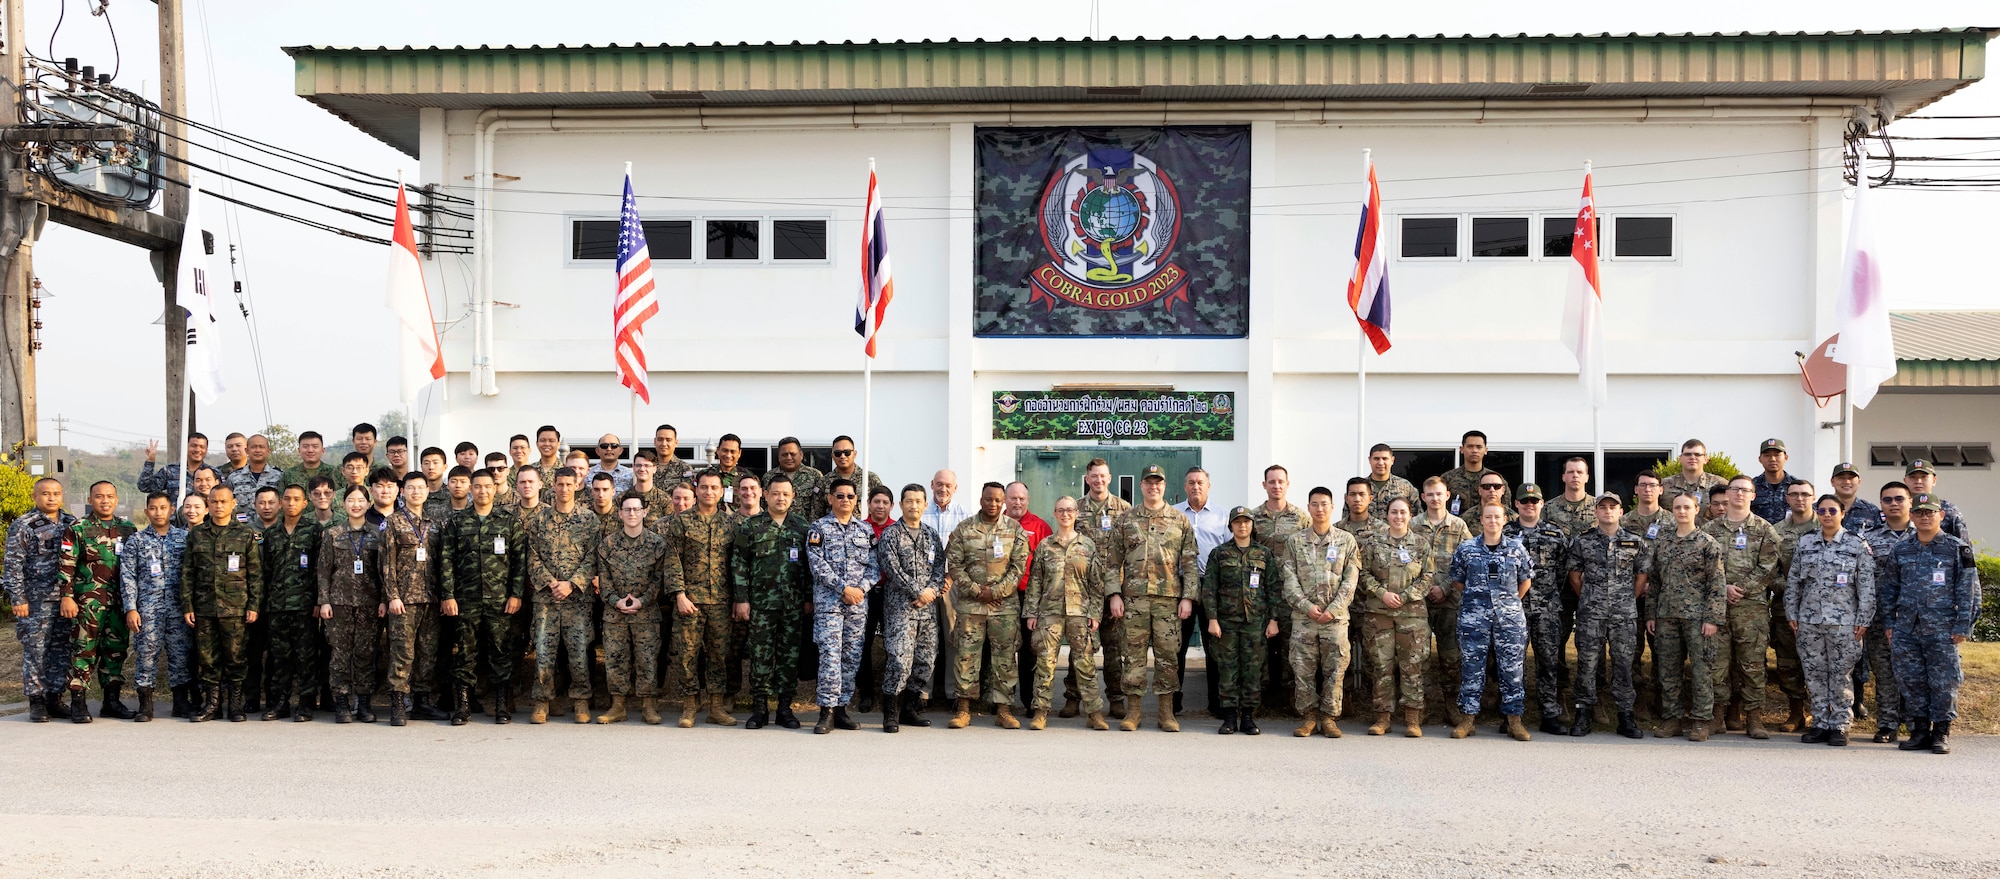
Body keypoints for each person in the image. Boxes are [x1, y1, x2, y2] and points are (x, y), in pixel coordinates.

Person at [1884, 494, 1981, 755]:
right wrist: (1889, 622)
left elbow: (1969, 589)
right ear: (1912, 517)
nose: (1925, 517)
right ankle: (1918, 732)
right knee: (1911, 680)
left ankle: (1941, 732)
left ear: (1941, 515)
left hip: (1943, 628)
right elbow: (1890, 588)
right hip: (1906, 628)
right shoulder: (1901, 549)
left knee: (1943, 681)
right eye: (1920, 513)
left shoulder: (1957, 548)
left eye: (1930, 512)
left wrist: (1964, 625)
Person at [1104, 465, 1198, 733]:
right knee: (1132, 656)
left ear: (1165, 486)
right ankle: (1133, 711)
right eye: (1148, 482)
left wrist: (1188, 597)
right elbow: (1112, 562)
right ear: (1142, 486)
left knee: (1168, 656)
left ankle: (1166, 712)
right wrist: (1114, 594)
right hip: (1133, 600)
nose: (1153, 487)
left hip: (1169, 600)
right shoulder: (1126, 519)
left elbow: (1190, 563)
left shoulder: (1180, 520)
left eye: (1158, 483)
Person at [1786, 494, 1875, 746]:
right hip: (1809, 621)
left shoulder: (1856, 544)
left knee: (1840, 674)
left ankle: (1841, 724)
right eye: (1822, 510)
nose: (1827, 515)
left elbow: (1866, 586)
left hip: (1845, 623)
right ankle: (1821, 723)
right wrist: (1792, 613)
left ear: (1842, 513)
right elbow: (1794, 582)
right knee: (1814, 674)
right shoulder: (1806, 543)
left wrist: (1864, 619)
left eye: (1832, 511)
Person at [440, 469, 525, 725]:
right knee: (466, 653)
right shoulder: (456, 522)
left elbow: (519, 562)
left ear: (495, 487)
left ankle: (501, 705)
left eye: (487, 486)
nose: (482, 491)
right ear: (470, 489)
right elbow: (446, 561)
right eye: (477, 486)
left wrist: (516, 594)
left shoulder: (508, 521)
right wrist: (448, 595)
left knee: (500, 652)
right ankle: (463, 706)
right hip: (466, 600)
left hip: (500, 600)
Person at [943, 482, 1030, 729]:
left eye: (997, 500)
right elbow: (955, 565)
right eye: (988, 499)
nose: (992, 504)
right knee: (966, 656)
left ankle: (1003, 710)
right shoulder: (964, 529)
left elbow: (1019, 567)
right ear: (981, 500)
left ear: (1003, 502)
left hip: (1004, 607)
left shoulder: (1015, 530)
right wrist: (976, 591)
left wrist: (995, 591)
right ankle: (963, 709)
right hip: (971, 607)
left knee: (1005, 658)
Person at [1702, 475, 1782, 739]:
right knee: (1717, 663)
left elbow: (1768, 566)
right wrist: (1723, 587)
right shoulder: (1711, 530)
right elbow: (1703, 566)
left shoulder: (1764, 529)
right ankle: (1718, 717)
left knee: (1752, 664)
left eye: (1744, 490)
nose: (1738, 494)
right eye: (1734, 489)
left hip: (1752, 608)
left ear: (1753, 495)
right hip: (1717, 606)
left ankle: (1754, 719)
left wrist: (1741, 588)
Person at [732, 475, 814, 730]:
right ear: (765, 495)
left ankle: (785, 709)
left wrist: (809, 598)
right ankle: (759, 709)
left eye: (786, 494)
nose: (781, 498)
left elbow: (812, 566)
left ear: (793, 497)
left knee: (789, 657)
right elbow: (739, 564)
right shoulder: (750, 526)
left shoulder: (803, 527)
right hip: (761, 605)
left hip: (793, 605)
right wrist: (742, 599)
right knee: (761, 657)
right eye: (776, 493)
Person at [1277, 486, 1359, 738]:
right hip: (1304, 619)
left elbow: (1351, 578)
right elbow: (1288, 578)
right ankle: (1308, 717)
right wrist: (1306, 606)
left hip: (1335, 620)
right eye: (1315, 504)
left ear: (1332, 507)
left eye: (1324, 504)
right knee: (1302, 670)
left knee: (1335, 670)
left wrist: (1333, 609)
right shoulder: (1295, 541)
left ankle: (1330, 717)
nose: (1320, 508)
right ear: (1309, 507)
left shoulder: (1346, 540)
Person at [1448, 504, 1535, 741]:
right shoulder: (1466, 549)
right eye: (1488, 517)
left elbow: (1525, 581)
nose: (1493, 521)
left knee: (1512, 670)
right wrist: (1478, 600)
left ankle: (1514, 721)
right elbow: (1457, 580)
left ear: (1505, 519)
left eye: (1497, 517)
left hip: (1509, 620)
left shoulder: (1517, 549)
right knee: (1471, 668)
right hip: (1474, 619)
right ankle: (1467, 719)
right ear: (1481, 520)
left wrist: (1508, 602)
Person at [1568, 493, 1650, 738]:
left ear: (1621, 511)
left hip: (1623, 615)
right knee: (1587, 665)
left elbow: (1642, 576)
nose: (1607, 511)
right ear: (1596, 512)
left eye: (1612, 507)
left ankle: (1625, 717)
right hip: (1591, 614)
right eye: (1602, 507)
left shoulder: (1635, 542)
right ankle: (1583, 714)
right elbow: (1574, 575)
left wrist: (1626, 599)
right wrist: (1590, 598)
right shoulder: (1583, 541)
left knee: (1624, 665)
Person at [56, 482, 139, 721]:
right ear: (90, 500)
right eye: (99, 496)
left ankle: (111, 701)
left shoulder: (128, 528)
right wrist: (67, 597)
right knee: (84, 651)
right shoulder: (78, 528)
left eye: (110, 496)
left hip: (119, 603)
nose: (105, 501)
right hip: (87, 602)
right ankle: (78, 702)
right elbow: (66, 564)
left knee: (115, 652)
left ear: (116, 499)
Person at [521, 467, 598, 725]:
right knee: (543, 652)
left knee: (578, 652)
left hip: (577, 600)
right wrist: (551, 583)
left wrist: (572, 583)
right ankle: (543, 701)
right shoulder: (539, 520)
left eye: (569, 484)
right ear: (552, 486)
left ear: (577, 486)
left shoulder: (589, 520)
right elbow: (531, 556)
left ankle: (580, 700)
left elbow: (593, 557)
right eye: (560, 484)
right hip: (546, 599)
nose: (564, 489)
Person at [181, 484, 264, 723]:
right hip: (204, 607)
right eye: (214, 502)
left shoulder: (245, 534)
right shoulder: (197, 534)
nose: (219, 506)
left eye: (223, 502)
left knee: (236, 657)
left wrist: (254, 605)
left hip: (236, 608)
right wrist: (188, 605)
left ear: (233, 503)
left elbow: (255, 574)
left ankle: (235, 704)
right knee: (208, 658)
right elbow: (187, 573)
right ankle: (213, 704)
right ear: (208, 505)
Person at [1023, 495, 1107, 731]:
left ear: (1076, 513)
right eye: (1061, 510)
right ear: (1055, 513)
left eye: (1070, 510)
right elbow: (1035, 582)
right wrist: (1031, 613)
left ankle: (1094, 713)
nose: (1066, 514)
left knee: (1086, 664)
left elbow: (1097, 585)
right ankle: (1040, 712)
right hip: (1049, 612)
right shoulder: (1045, 545)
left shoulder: (1087, 546)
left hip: (1080, 613)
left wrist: (1095, 613)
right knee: (1045, 664)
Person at [662, 471, 739, 727]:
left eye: (714, 488)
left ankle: (716, 707)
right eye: (704, 487)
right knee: (687, 655)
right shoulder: (681, 522)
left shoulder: (731, 524)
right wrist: (679, 595)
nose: (708, 492)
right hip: (689, 602)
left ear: (721, 491)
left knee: (719, 654)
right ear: (697, 490)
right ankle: (689, 706)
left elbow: (735, 566)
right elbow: (673, 561)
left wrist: (737, 599)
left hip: (720, 601)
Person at [1649, 494, 1725, 741]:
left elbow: (1717, 583)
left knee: (1702, 669)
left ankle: (1701, 721)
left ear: (1697, 510)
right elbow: (1655, 582)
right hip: (1667, 615)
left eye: (1687, 507)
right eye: (1677, 507)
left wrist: (1712, 618)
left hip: (1697, 617)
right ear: (1672, 511)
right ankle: (1672, 718)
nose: (1682, 511)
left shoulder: (1707, 543)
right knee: (1668, 669)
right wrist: (1651, 614)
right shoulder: (1663, 543)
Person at [872, 482, 946, 732]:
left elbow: (939, 569)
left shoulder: (931, 535)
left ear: (926, 505)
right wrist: (919, 592)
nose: (914, 505)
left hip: (927, 611)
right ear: (901, 505)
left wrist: (932, 591)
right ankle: (890, 712)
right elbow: (891, 569)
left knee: (926, 660)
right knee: (899, 660)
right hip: (900, 609)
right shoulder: (891, 535)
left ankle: (910, 708)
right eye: (909, 501)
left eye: (919, 501)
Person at [1199, 506, 1279, 736]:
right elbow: (1209, 589)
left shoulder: (1263, 554)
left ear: (1252, 525)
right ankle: (1229, 716)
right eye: (1237, 522)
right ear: (1231, 526)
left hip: (1256, 622)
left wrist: (1273, 619)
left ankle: (1248, 717)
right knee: (1228, 669)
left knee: (1252, 669)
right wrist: (1212, 619)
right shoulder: (1219, 553)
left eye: (1246, 522)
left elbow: (1272, 588)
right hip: (1227, 622)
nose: (1242, 526)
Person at [807, 478, 878, 734]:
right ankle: (825, 711)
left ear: (856, 500)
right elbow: (816, 564)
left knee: (850, 658)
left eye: (849, 496)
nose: (845, 500)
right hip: (830, 605)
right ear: (830, 499)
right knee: (830, 656)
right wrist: (843, 588)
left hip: (858, 605)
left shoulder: (865, 529)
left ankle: (841, 709)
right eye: (839, 496)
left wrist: (861, 589)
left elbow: (874, 564)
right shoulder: (819, 528)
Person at [1356, 497, 1430, 738]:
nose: (1398, 516)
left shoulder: (1420, 544)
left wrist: (1407, 595)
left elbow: (1429, 576)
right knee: (1381, 666)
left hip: (1412, 616)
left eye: (1403, 512)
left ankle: (1412, 718)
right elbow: (1363, 574)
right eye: (1394, 512)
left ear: (1410, 515)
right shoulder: (1373, 543)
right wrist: (1382, 593)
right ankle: (1382, 718)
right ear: (1387, 515)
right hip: (1379, 614)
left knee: (1412, 666)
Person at [596, 491, 668, 724]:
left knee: (647, 661)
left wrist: (643, 600)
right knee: (616, 661)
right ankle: (618, 706)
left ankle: (649, 706)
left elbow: (659, 579)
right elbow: (603, 580)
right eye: (627, 509)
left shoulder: (657, 544)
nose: (632, 513)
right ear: (620, 513)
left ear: (645, 512)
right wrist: (615, 600)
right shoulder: (607, 544)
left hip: (646, 614)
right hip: (614, 614)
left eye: (637, 509)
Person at [1506, 484, 1571, 735]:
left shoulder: (1556, 534)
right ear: (1516, 504)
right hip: (1514, 608)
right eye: (1525, 501)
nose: (1529, 505)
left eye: (1534, 501)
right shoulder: (1506, 533)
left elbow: (1564, 570)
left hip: (1547, 608)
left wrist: (1549, 594)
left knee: (1549, 663)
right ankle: (1512, 714)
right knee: (1513, 663)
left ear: (1542, 504)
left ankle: (1549, 715)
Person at [382, 472, 445, 726]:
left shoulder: (435, 523)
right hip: (404, 600)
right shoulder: (393, 523)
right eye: (411, 488)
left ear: (428, 491)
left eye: (421, 487)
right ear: (402, 492)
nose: (416, 492)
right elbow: (387, 564)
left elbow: (442, 562)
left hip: (430, 599)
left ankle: (422, 702)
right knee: (402, 651)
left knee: (428, 653)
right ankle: (398, 702)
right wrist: (392, 596)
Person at [119, 492, 188, 722]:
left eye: (163, 507)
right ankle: (145, 704)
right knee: (146, 655)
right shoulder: (136, 541)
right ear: (146, 511)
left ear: (171, 510)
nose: (158, 512)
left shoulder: (184, 537)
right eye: (153, 508)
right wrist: (131, 608)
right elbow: (127, 575)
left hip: (178, 608)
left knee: (180, 655)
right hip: (148, 609)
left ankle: (180, 702)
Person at [317, 484, 382, 724]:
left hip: (370, 604)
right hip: (339, 604)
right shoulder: (333, 534)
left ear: (368, 504)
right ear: (343, 504)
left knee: (366, 654)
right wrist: (324, 601)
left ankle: (364, 703)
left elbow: (384, 572)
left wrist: (384, 601)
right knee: (340, 655)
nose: (356, 504)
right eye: (351, 500)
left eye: (360, 500)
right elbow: (323, 571)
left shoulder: (378, 534)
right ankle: (342, 703)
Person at [258, 485, 322, 722]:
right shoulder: (271, 533)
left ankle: (306, 703)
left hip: (305, 606)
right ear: (281, 503)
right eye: (287, 499)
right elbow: (266, 571)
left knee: (306, 657)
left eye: (297, 499)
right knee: (279, 657)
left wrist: (318, 600)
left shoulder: (313, 531)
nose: (291, 503)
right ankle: (280, 702)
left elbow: (319, 569)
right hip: (277, 606)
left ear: (305, 503)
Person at [1859, 482, 1915, 742]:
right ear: (1881, 505)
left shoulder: (1924, 535)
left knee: (1915, 672)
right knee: (1884, 673)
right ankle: (1887, 724)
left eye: (1899, 499)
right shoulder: (1869, 539)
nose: (1894, 503)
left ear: (1910, 502)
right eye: (1888, 499)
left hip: (1917, 619)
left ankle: (1917, 723)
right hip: (1880, 617)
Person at [1072, 460, 1129, 716]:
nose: (1098, 481)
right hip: (1084, 590)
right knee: (1080, 645)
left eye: (1103, 476)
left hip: (1115, 589)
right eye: (1094, 476)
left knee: (1114, 648)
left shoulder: (1124, 509)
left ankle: (1116, 698)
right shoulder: (1075, 509)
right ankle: (1073, 697)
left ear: (1110, 477)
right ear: (1087, 478)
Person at [1172, 467, 1226, 718]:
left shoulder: (1221, 515)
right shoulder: (1174, 514)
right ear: (1185, 487)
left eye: (1200, 482)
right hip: (1179, 585)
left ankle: (1216, 703)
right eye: (1191, 482)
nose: (1196, 486)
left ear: (1208, 485)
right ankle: (1173, 702)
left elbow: (1227, 552)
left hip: (1211, 585)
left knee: (1213, 647)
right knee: (1177, 646)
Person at [1771, 479, 1821, 731]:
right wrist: (1790, 588)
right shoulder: (1776, 531)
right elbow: (1770, 570)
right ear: (1787, 499)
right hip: (1786, 607)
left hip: (1821, 608)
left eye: (1805, 494)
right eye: (1794, 495)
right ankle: (1795, 713)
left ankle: (1821, 712)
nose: (1800, 499)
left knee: (1819, 661)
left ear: (1813, 497)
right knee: (1788, 661)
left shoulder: (1825, 525)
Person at [1004, 481, 1051, 714]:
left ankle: (1029, 700)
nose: (1017, 502)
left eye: (1022, 498)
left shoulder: (1039, 526)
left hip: (1028, 598)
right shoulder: (995, 523)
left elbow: (1049, 564)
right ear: (1005, 499)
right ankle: (1001, 701)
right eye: (1013, 498)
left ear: (1028, 500)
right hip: (1000, 598)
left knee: (1028, 652)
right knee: (1001, 650)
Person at [856, 485, 896, 713]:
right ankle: (866, 693)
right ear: (869, 504)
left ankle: (890, 692)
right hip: (866, 595)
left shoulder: (897, 529)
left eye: (885, 502)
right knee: (864, 644)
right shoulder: (860, 529)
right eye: (876, 501)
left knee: (893, 644)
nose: (880, 506)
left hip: (891, 595)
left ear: (891, 506)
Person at [1441, 430, 1512, 517]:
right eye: (1470, 446)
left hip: (1488, 527)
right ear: (1462, 449)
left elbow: (1505, 508)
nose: (1474, 450)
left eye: (1479, 447)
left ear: (1485, 450)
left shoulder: (1496, 480)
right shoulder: (1447, 478)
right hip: (1456, 528)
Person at [1903, 460, 1971, 543]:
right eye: (1913, 477)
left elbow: (1964, 546)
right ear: (1905, 481)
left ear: (1934, 480)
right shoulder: (1898, 508)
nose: (1918, 481)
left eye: (1924, 477)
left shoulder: (1948, 510)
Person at [763, 437, 827, 522]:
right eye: (784, 455)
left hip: (806, 528)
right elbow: (763, 505)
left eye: (792, 454)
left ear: (801, 455)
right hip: (775, 528)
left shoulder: (815, 475)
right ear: (778, 457)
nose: (789, 458)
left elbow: (820, 506)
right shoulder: (768, 477)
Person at [1660, 439, 1727, 517]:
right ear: (1680, 458)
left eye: (1697, 454)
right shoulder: (1664, 485)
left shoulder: (1720, 484)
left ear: (1705, 459)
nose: (1692, 457)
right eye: (1688, 454)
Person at [1749, 438, 1805, 524]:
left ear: (1786, 458)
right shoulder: (1751, 486)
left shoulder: (1797, 486)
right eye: (1767, 455)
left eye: (1777, 455)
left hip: (1790, 535)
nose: (1772, 459)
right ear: (1760, 459)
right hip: (1760, 536)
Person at [139, 432, 209, 500]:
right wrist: (150, 461)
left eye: (202, 447)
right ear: (185, 447)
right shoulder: (170, 471)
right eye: (193, 446)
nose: (197, 450)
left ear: (206, 450)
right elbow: (145, 486)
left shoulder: (212, 473)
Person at [1363, 444, 1418, 521]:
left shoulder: (1405, 486)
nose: (1381, 462)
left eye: (1384, 458)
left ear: (1392, 460)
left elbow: (1417, 518)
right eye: (1376, 459)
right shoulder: (1361, 487)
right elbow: (1347, 519)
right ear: (1369, 460)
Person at [1544, 458, 1595, 538]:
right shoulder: (1548, 508)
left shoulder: (1599, 507)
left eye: (1580, 472)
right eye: (1571, 472)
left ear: (1587, 478)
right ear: (1563, 477)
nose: (1575, 475)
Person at [1829, 462, 1880, 532]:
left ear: (1859, 482)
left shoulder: (1872, 511)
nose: (1847, 481)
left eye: (1851, 478)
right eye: (1841, 478)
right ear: (1832, 482)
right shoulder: (1818, 509)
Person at [711, 434, 757, 503]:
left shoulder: (747, 476)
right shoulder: (707, 475)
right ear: (718, 450)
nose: (728, 455)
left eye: (733, 452)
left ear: (739, 453)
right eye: (725, 450)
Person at [651, 424, 696, 490]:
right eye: (660, 439)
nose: (664, 443)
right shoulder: (647, 467)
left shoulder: (684, 468)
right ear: (655, 442)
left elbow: (688, 493)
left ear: (676, 443)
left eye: (668, 440)